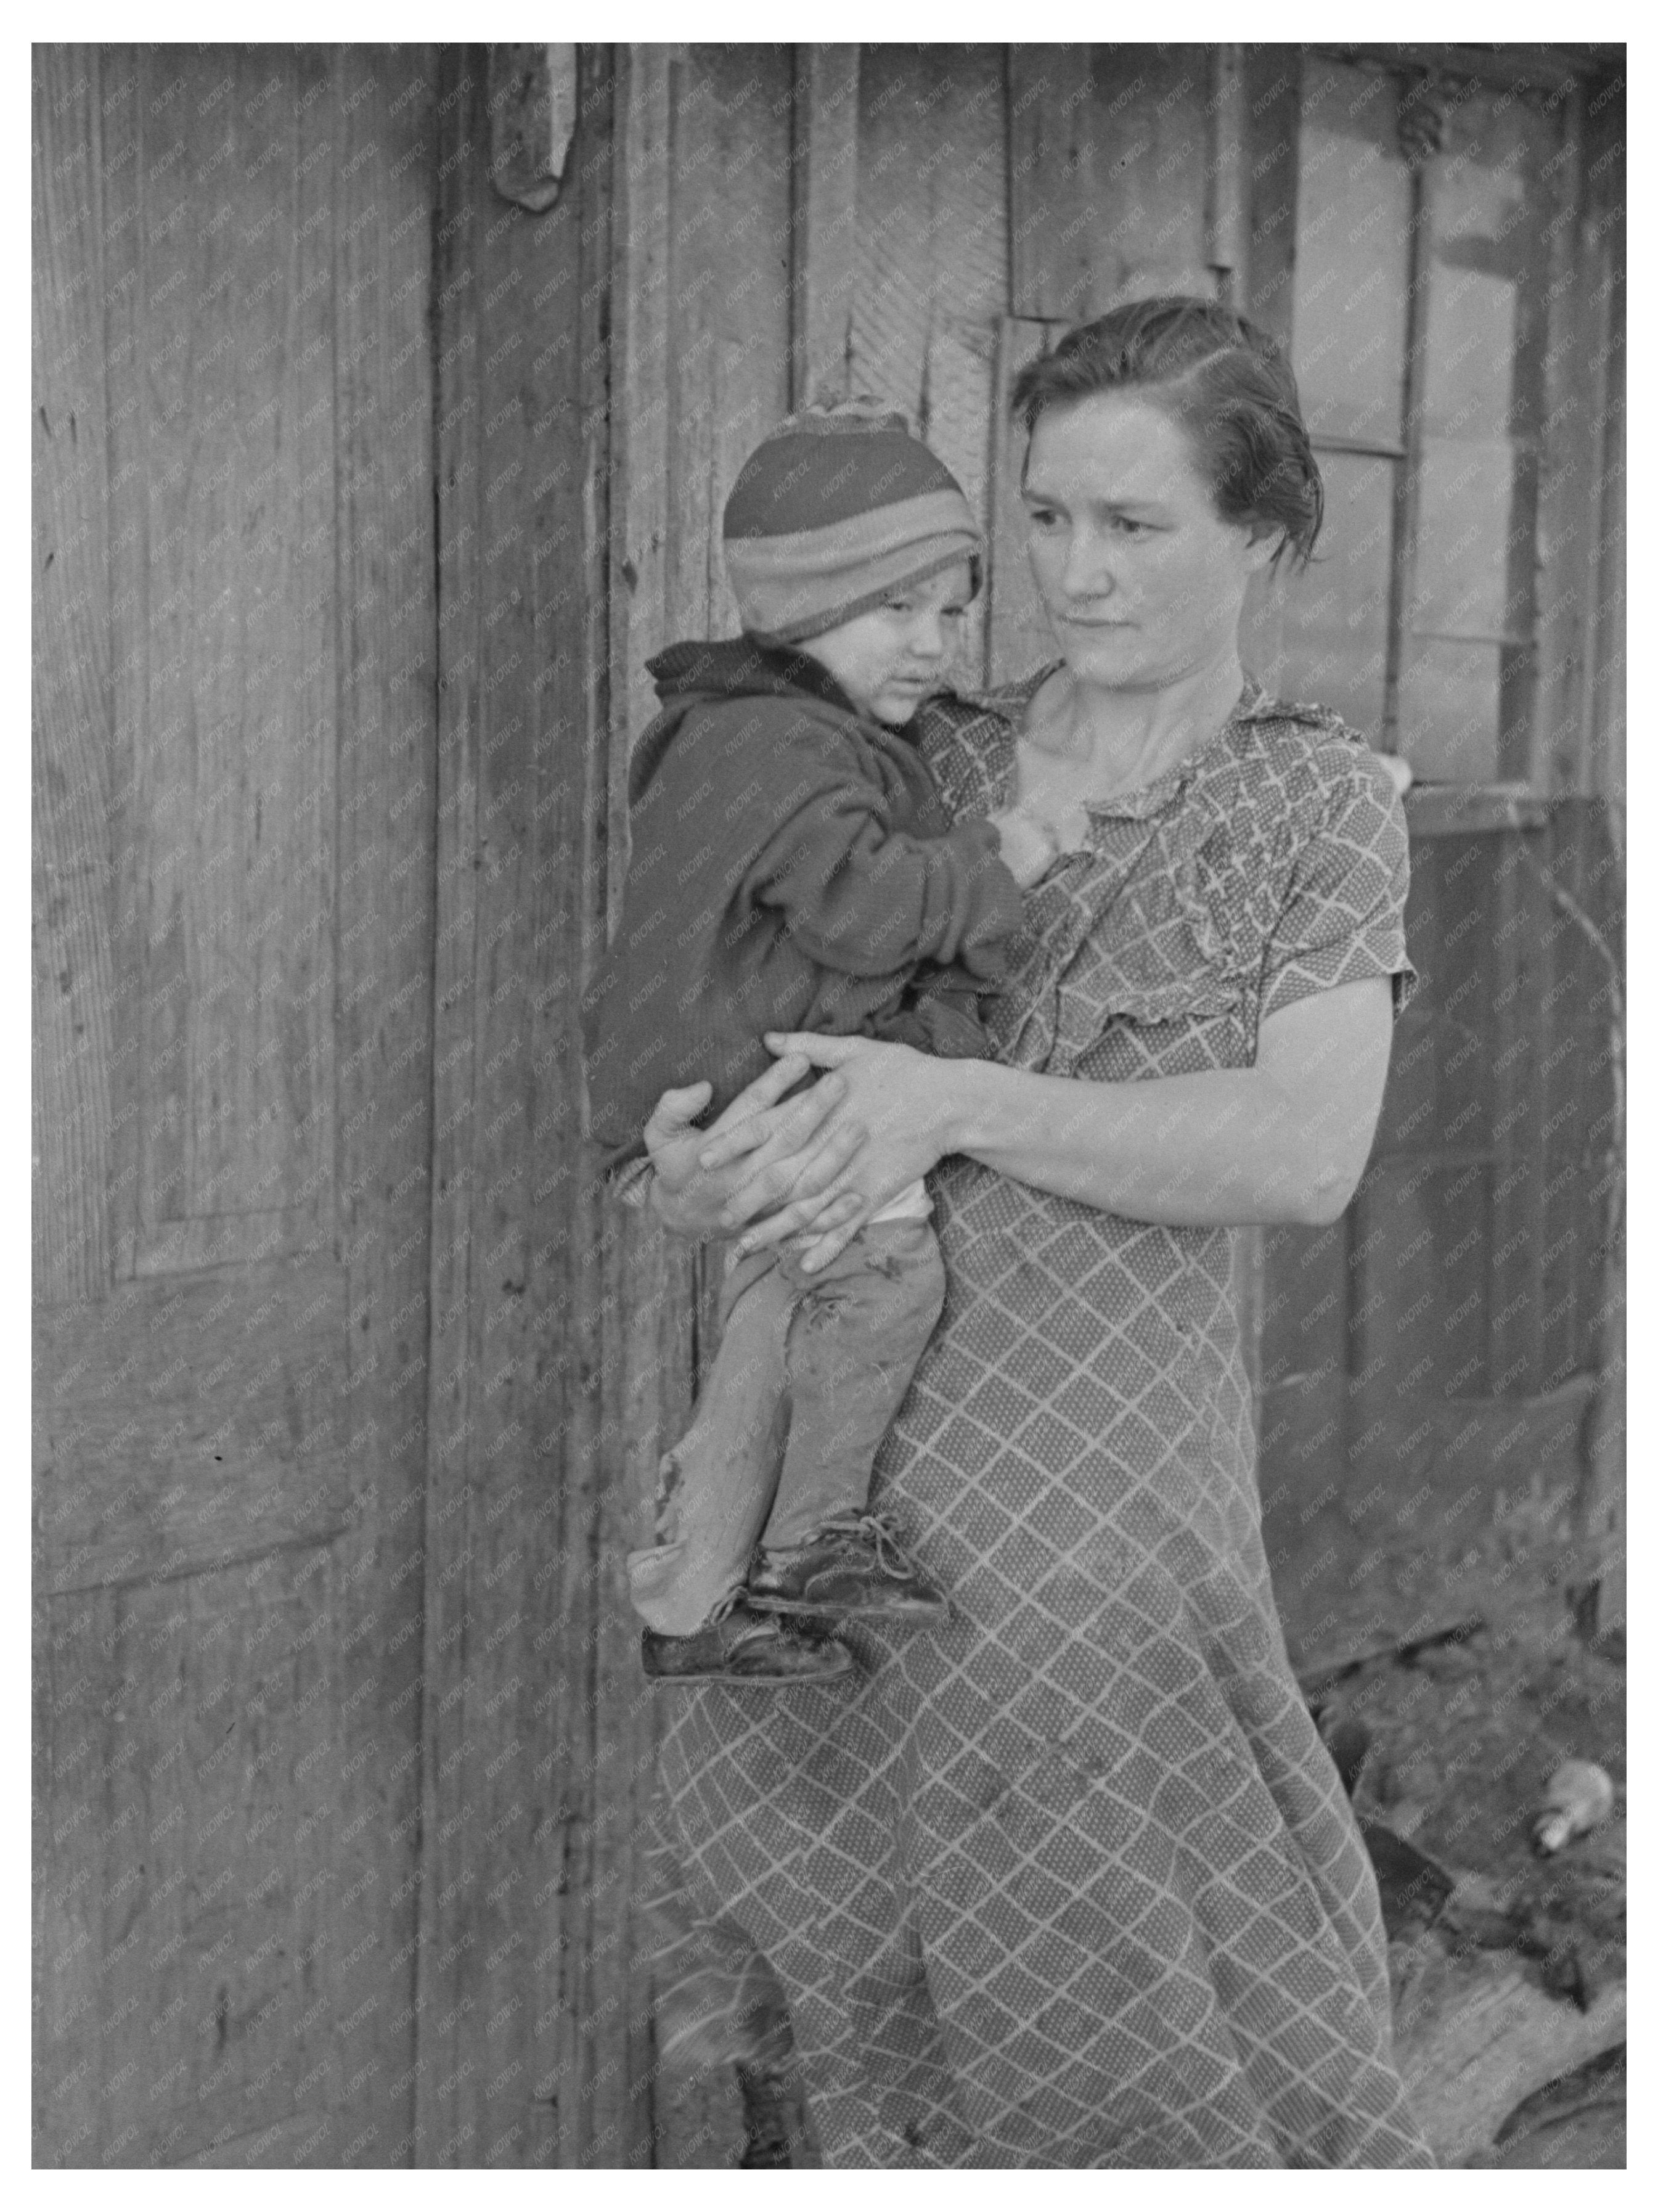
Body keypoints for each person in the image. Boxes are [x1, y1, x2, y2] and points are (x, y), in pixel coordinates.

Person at [629, 298, 1441, 2166]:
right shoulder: (920, 752)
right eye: (1048, 519)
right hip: (842, 1508)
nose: (1074, 573)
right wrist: (696, 1167)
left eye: (1134, 526)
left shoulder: (1316, 801)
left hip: (1097, 1525)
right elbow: (737, 1024)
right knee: (866, 2028)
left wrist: (955, 1101)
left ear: (1263, 531)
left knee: (1147, 2040)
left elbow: (1305, 1151)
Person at [584, 404, 1059, 1687]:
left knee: (772, 1314)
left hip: (704, 1091)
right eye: (893, 608)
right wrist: (999, 859)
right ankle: (815, 1545)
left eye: (950, 611)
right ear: (799, 607)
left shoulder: (753, 728)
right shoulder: (780, 747)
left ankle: (689, 1597)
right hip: (748, 1086)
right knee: (884, 1280)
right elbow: (860, 907)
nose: (931, 642)